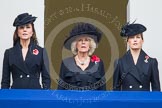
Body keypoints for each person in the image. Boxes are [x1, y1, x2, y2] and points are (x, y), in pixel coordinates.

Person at [1, 13, 51, 89]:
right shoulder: (9, 53)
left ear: (32, 32)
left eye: (28, 27)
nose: (25, 30)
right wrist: (5, 98)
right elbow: (5, 81)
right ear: (17, 32)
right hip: (16, 94)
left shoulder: (41, 52)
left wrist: (44, 97)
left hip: (35, 94)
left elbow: (46, 79)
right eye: (21, 27)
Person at [57, 22, 106, 90]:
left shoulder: (99, 63)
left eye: (86, 40)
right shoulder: (66, 63)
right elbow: (60, 89)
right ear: (75, 45)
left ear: (90, 45)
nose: (83, 42)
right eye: (80, 40)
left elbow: (102, 89)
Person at [113, 22, 161, 91]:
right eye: (132, 37)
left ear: (142, 40)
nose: (135, 40)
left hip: (144, 101)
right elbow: (116, 90)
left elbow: (156, 90)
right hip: (126, 100)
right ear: (127, 41)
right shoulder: (119, 62)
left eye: (138, 37)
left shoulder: (152, 62)